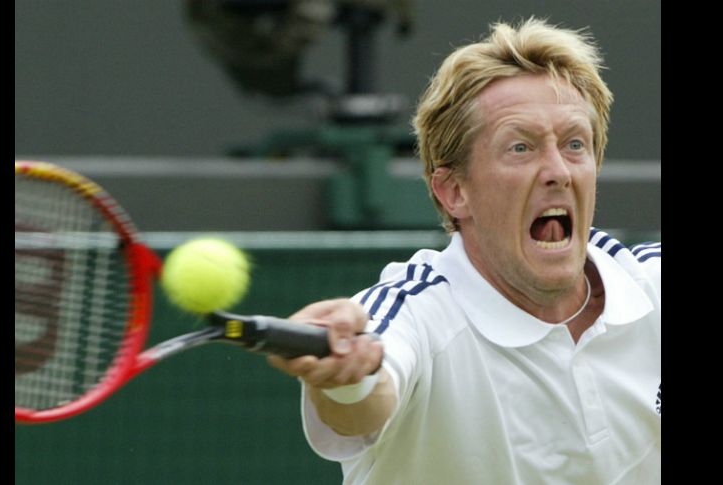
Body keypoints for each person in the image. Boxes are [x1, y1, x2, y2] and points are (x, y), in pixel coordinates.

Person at [268, 17, 661, 484]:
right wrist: (349, 377)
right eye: (521, 147)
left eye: (575, 144)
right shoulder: (413, 314)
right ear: (454, 191)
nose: (558, 170)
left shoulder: (650, 284)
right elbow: (366, 396)